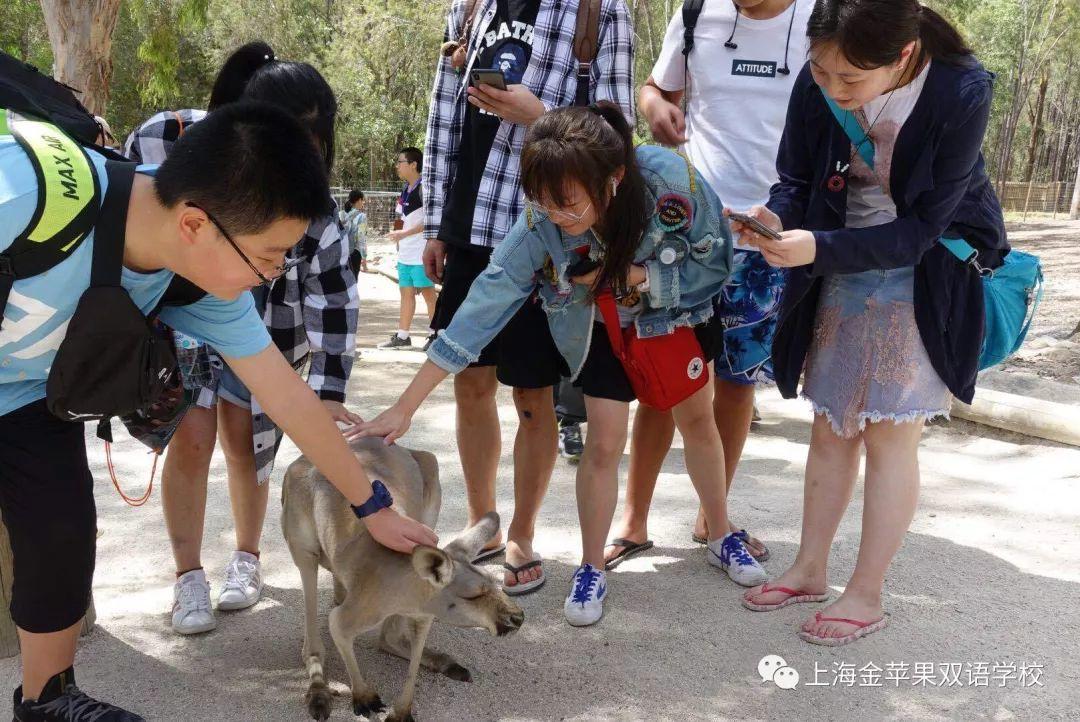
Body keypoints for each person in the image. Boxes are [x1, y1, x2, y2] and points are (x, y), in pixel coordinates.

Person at [0, 101, 435, 721]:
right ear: (195, 224)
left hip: (23, 398)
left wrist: (371, 504)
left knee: (60, 529)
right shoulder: (27, 189)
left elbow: (286, 396)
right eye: (267, 255)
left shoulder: (197, 283)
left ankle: (47, 701)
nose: (271, 275)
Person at [355, 102, 746, 628]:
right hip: (604, 329)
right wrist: (406, 404)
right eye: (539, 200)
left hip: (677, 317)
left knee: (698, 424)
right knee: (604, 441)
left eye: (566, 203)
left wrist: (638, 277)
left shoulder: (670, 185)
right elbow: (484, 302)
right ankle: (591, 568)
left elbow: (716, 263)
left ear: (614, 178)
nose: (553, 215)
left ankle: (722, 535)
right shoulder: (543, 217)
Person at [734, 0, 1007, 645]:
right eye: (821, 72)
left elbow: (921, 229)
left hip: (925, 265)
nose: (831, 88)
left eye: (849, 81)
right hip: (840, 255)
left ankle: (866, 592)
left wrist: (817, 249)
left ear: (903, 56)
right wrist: (773, 218)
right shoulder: (822, 73)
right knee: (831, 422)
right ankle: (809, 568)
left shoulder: (959, 90)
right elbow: (795, 178)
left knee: (890, 432)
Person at [127, 45, 361, 636]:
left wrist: (329, 392)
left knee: (247, 435)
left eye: (313, 143)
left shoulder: (319, 213)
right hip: (179, 323)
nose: (300, 158)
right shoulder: (168, 139)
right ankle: (188, 578)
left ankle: (246, 559)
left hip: (265, 332)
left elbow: (333, 303)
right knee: (190, 434)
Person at [421, 0, 634, 594]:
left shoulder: (600, 10)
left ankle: (522, 532)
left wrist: (537, 117)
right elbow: (443, 120)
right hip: (470, 222)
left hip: (546, 232)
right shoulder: (468, 8)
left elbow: (616, 132)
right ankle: (482, 523)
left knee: (534, 397)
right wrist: (438, 221)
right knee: (470, 381)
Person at [605, 0, 814, 582]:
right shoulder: (698, 14)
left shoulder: (823, 21)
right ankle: (633, 519)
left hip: (769, 235)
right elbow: (656, 88)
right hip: (686, 234)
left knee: (736, 383)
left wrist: (788, 215)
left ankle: (711, 517)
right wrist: (656, 108)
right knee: (660, 381)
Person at [380, 148, 436, 349]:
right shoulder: (405, 189)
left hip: (420, 253)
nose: (397, 165)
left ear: (413, 164)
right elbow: (401, 218)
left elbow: (430, 221)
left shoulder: (425, 189)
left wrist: (403, 234)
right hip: (405, 253)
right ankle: (403, 336)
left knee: (429, 294)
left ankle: (435, 334)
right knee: (406, 294)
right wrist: (397, 236)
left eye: (400, 161)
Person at [343, 189, 368, 276]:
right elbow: (361, 238)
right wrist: (364, 258)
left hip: (343, 252)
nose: (363, 202)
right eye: (362, 200)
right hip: (355, 252)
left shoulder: (343, 215)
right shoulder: (362, 217)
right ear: (359, 200)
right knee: (353, 281)